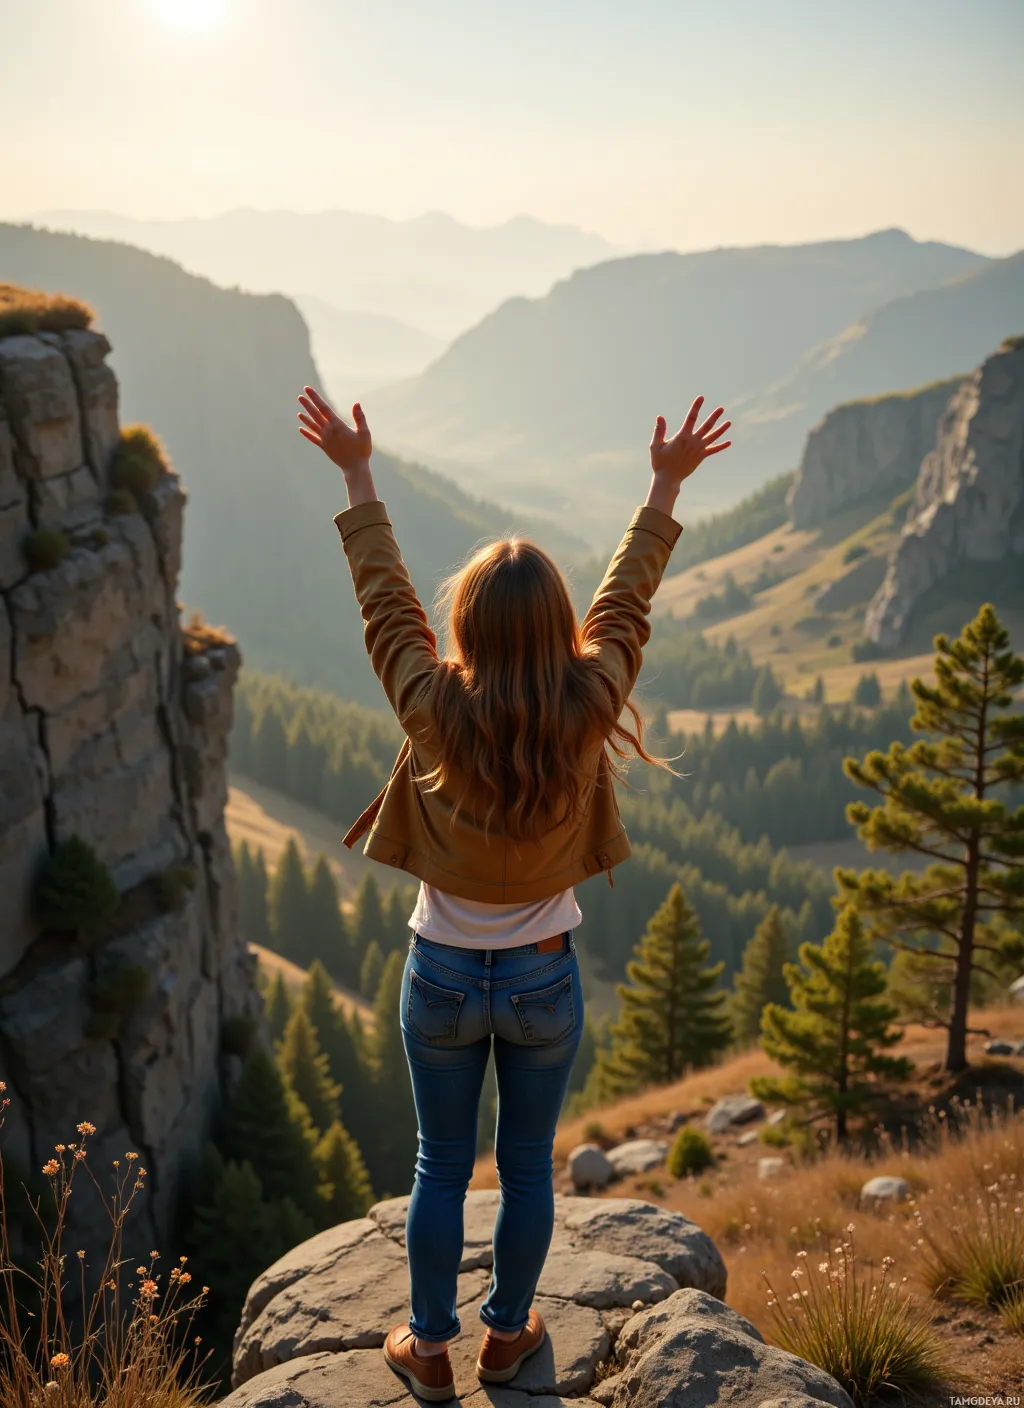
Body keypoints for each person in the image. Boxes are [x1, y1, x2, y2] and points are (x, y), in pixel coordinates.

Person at [297, 386, 731, 1402]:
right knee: (526, 1164)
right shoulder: (588, 704)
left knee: (439, 1164)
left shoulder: (432, 708)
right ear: (556, 631)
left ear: (467, 627)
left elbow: (384, 599)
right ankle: (506, 1339)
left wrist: (358, 473)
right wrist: (663, 488)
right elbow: (626, 603)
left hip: (440, 972)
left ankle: (429, 1347)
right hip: (542, 978)